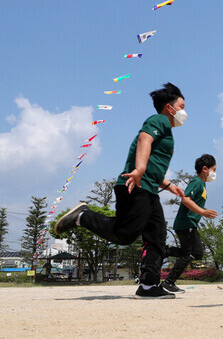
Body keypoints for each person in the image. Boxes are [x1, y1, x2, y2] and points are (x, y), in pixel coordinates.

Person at [55, 82, 187, 299]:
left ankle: (148, 286)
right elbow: (145, 139)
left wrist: (169, 186)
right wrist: (139, 169)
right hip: (135, 185)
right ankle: (83, 216)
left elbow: (152, 164)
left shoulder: (166, 129)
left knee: (157, 236)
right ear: (168, 107)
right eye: (181, 106)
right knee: (125, 234)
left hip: (149, 188)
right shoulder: (159, 120)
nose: (183, 111)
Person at [160, 154, 218, 293]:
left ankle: (166, 251)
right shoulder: (197, 182)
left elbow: (193, 203)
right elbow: (185, 199)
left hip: (189, 223)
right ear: (205, 169)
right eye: (214, 170)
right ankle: (168, 281)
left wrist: (202, 211)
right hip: (186, 223)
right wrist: (203, 212)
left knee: (195, 253)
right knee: (193, 253)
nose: (214, 173)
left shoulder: (202, 184)